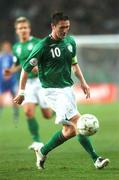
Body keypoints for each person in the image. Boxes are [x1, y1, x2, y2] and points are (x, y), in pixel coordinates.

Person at [14, 12, 110, 170]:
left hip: (67, 89)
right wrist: (22, 92)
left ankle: (42, 151)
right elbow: (25, 69)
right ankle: (96, 159)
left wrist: (84, 83)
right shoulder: (42, 46)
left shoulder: (70, 41)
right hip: (52, 92)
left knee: (70, 130)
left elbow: (74, 64)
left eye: (67, 27)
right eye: (62, 27)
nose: (65, 30)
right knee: (79, 122)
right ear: (53, 26)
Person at [5, 17, 52, 147]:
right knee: (28, 112)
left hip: (40, 81)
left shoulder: (38, 43)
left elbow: (48, 60)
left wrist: (41, 67)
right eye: (20, 28)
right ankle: (37, 141)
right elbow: (19, 63)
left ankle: (55, 111)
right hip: (26, 82)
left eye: (25, 27)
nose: (23, 30)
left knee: (47, 115)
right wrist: (11, 70)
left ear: (29, 29)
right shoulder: (16, 47)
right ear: (17, 31)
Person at [0, 41, 19, 122]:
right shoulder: (1, 57)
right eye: (5, 47)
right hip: (2, 81)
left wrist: (10, 74)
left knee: (14, 98)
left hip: (12, 81)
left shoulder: (12, 57)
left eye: (7, 47)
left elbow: (15, 66)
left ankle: (15, 114)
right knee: (1, 99)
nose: (6, 48)